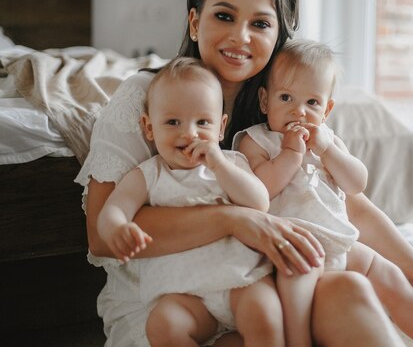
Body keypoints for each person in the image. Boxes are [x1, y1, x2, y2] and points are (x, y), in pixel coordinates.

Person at [76, 0, 413, 347]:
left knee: (349, 287)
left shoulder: (280, 106)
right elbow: (100, 233)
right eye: (224, 16)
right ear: (195, 22)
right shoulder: (147, 98)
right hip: (173, 299)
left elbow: (341, 202)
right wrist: (235, 219)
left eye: (261, 23)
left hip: (259, 286)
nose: (241, 37)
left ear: (278, 36)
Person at [235, 39, 413, 347]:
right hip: (293, 247)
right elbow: (261, 191)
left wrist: (328, 150)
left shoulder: (327, 142)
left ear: (327, 109)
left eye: (312, 103)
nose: (298, 111)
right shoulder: (256, 141)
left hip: (339, 243)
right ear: (265, 101)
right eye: (286, 97)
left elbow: (357, 183)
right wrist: (289, 154)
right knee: (296, 286)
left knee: (389, 274)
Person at [97, 58, 286, 347]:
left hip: (241, 282)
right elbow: (113, 208)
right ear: (149, 127)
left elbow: (259, 202)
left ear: (221, 127)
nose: (190, 133)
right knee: (163, 325)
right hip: (182, 293)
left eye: (203, 122)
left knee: (267, 314)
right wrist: (117, 228)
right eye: (173, 122)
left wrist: (219, 164)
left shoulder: (232, 164)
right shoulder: (149, 174)